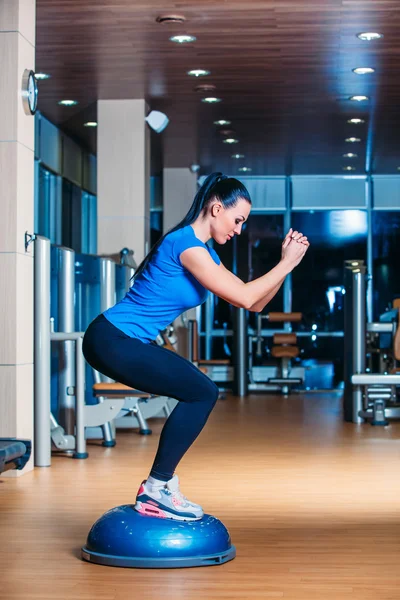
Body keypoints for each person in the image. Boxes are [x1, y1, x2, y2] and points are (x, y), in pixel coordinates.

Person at [82, 172, 309, 522]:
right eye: (238, 220)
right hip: (112, 338)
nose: (239, 229)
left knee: (201, 390)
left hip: (121, 341)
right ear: (216, 208)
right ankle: (157, 488)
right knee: (202, 391)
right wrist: (287, 262)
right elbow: (247, 296)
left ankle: (159, 486)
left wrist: (286, 267)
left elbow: (255, 303)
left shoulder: (203, 252)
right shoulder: (185, 245)